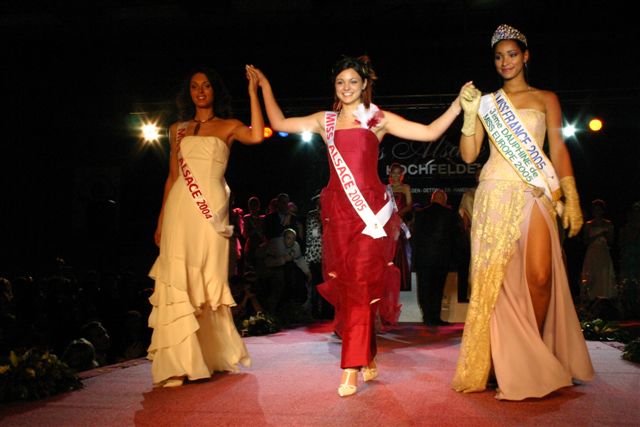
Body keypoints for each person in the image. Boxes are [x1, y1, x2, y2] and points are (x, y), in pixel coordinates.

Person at [250, 57, 470, 396]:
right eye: (340, 82)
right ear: (334, 86)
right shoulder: (325, 121)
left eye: (353, 81)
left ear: (365, 84)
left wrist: (457, 105)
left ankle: (350, 367)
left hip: (371, 215)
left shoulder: (376, 118)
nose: (347, 87)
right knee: (352, 290)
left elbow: (428, 132)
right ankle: (367, 353)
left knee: (362, 284)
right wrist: (263, 86)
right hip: (339, 215)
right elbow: (278, 122)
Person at [452, 24, 594, 400]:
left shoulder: (546, 98)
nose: (506, 62)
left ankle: (537, 353)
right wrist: (469, 116)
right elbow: (469, 155)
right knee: (495, 283)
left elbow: (558, 148)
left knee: (540, 277)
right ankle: (500, 364)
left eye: (512, 54)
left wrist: (570, 195)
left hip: (535, 192)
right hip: (494, 194)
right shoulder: (487, 103)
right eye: (499, 57)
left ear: (526, 56)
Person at [147, 66, 263, 387]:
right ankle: (179, 362)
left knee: (208, 279)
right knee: (179, 279)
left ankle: (209, 355)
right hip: (179, 210)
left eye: (206, 86)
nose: (200, 91)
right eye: (195, 86)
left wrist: (253, 93)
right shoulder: (177, 129)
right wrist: (161, 219)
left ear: (215, 91)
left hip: (211, 212)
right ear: (189, 92)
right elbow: (173, 176)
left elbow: (256, 135)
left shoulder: (229, 126)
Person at [412, 189, 462, 326]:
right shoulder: (451, 215)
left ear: (432, 199)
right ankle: (435, 317)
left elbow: (415, 237)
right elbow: (456, 237)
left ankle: (427, 317)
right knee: (438, 288)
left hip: (423, 258)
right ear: (444, 200)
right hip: (441, 258)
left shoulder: (420, 214)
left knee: (424, 288)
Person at [581, 199, 616, 301]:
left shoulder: (608, 224)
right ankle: (590, 298)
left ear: (602, 210)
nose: (597, 211)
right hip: (592, 252)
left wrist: (606, 235)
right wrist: (598, 235)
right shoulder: (588, 224)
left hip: (603, 252)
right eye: (595, 209)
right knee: (592, 274)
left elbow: (611, 241)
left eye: (599, 209)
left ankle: (605, 298)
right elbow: (585, 241)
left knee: (603, 275)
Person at [388, 162, 413, 292]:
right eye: (394, 173)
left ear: (402, 175)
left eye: (399, 173)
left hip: (400, 223)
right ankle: (389, 283)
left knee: (400, 249)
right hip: (389, 224)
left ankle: (402, 282)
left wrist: (399, 214)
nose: (396, 176)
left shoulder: (405, 188)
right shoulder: (386, 189)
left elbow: (409, 205)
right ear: (390, 174)